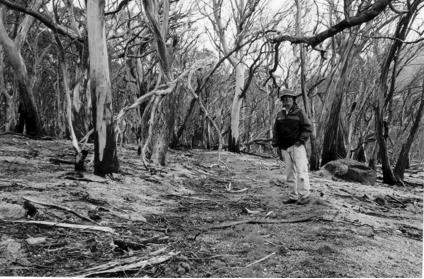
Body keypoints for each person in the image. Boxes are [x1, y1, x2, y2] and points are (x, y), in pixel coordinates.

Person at [272, 88, 312, 205]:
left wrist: (300, 141)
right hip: (284, 148)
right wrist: (275, 144)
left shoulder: (300, 112)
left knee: (301, 171)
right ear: (282, 101)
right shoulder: (280, 115)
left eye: (289, 98)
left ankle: (305, 195)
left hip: (297, 146)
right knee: (289, 173)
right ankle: (293, 196)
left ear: (293, 100)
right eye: (285, 99)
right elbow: (276, 131)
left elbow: (308, 128)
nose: (287, 100)